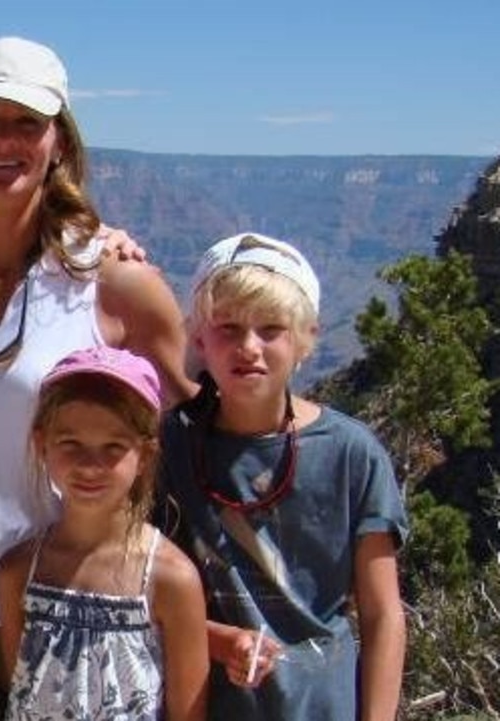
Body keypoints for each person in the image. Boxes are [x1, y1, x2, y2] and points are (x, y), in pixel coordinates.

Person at [0, 36, 196, 720]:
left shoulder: (115, 284)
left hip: (77, 606)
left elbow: (192, 434)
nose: (4, 142)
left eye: (27, 122)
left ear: (59, 141)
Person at [158, 232, 408, 719]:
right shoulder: (169, 447)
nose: (249, 347)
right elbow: (132, 584)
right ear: (200, 340)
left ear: (306, 340)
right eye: (228, 328)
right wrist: (216, 639)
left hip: (320, 705)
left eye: (270, 329)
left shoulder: (351, 455)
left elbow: (381, 614)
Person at [0, 346, 209, 721]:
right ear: (41, 444)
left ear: (144, 456)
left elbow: (189, 712)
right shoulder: (17, 573)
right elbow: (21, 692)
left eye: (113, 447)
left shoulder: (171, 579)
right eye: (71, 444)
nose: (90, 466)